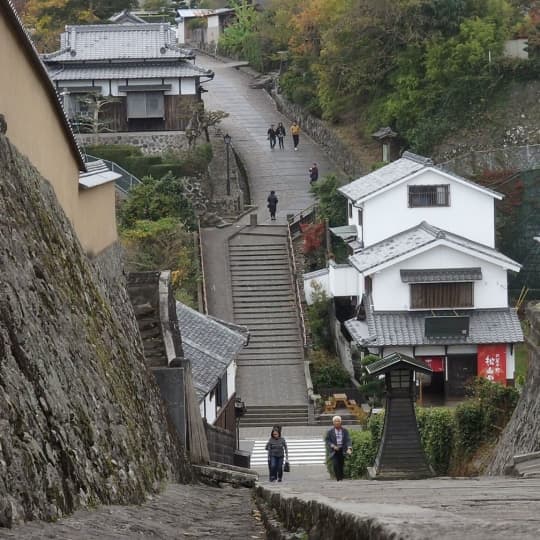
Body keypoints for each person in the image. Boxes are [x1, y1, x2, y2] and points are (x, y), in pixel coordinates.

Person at [325, 415, 352, 481]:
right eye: (335, 421)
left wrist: (349, 448)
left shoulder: (345, 431)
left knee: (341, 464)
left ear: (340, 422)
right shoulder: (330, 432)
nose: (337, 422)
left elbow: (348, 439)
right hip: (334, 451)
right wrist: (333, 446)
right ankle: (338, 479)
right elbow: (327, 440)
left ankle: (341, 478)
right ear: (333, 423)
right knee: (335, 464)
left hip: (342, 450)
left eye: (338, 421)